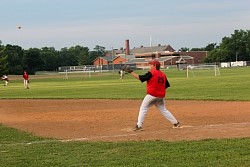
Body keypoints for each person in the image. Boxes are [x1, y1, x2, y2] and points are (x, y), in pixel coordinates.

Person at [124, 60, 181, 131]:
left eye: (151, 65)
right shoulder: (163, 74)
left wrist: (130, 72)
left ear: (155, 66)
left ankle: (139, 126)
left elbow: (140, 78)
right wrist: (159, 89)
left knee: (143, 108)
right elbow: (167, 85)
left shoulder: (152, 73)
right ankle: (176, 123)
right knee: (163, 109)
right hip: (160, 96)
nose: (150, 66)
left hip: (152, 95)